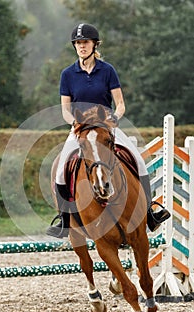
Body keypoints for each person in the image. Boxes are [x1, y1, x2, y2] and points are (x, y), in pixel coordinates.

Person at [46, 23, 170, 238]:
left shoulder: (107, 70)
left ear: (95, 44)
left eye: (85, 42)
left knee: (138, 161)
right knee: (60, 170)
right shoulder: (68, 74)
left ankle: (150, 212)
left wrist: (113, 119)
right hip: (81, 129)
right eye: (78, 43)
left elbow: (120, 104)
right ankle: (64, 219)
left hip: (106, 127)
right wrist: (74, 123)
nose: (81, 46)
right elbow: (65, 109)